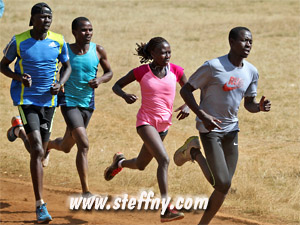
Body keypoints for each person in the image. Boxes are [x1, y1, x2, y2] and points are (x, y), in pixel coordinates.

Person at [173, 26, 271, 224]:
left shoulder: (251, 71)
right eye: (244, 40)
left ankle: (193, 153)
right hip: (209, 130)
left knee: (222, 186)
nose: (248, 44)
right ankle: (195, 154)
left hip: (231, 130)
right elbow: (186, 90)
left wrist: (259, 107)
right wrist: (202, 114)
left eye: (251, 41)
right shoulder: (213, 66)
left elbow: (249, 104)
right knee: (223, 183)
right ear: (232, 42)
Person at [104, 37, 189, 222]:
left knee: (141, 165)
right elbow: (116, 85)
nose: (167, 55)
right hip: (146, 122)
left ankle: (119, 163)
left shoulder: (176, 70)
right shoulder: (142, 71)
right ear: (152, 54)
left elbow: (188, 90)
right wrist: (125, 95)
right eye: (163, 52)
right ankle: (166, 209)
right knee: (164, 160)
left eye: (169, 52)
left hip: (164, 125)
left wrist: (187, 106)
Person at [0, 2, 71, 223]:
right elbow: (3, 65)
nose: (46, 20)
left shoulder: (58, 40)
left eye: (49, 17)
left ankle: (18, 131)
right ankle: (41, 205)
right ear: (32, 19)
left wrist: (60, 83)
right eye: (41, 17)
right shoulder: (19, 40)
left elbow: (67, 66)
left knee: (35, 150)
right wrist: (19, 78)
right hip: (26, 100)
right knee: (39, 150)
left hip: (49, 102)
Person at [46, 17, 113, 196]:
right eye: (84, 30)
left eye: (90, 29)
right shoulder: (65, 50)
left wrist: (99, 80)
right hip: (68, 101)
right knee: (83, 144)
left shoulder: (98, 50)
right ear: (74, 32)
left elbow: (109, 72)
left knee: (67, 146)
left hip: (87, 103)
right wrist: (56, 84)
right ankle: (86, 191)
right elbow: (49, 67)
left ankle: (48, 146)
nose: (88, 33)